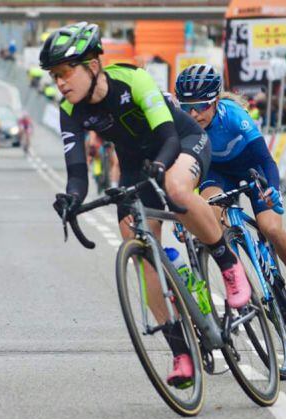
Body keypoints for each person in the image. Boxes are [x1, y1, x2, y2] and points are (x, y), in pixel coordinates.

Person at [43, 23, 250, 387]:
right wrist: (71, 198)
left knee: (176, 187)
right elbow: (77, 172)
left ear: (93, 66)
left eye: (65, 73)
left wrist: (161, 164)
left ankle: (227, 262)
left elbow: (167, 135)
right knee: (133, 242)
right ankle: (181, 353)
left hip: (181, 142)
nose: (60, 83)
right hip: (137, 163)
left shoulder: (131, 81)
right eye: (54, 76)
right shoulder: (69, 110)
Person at [175, 64, 286, 329]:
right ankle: (239, 288)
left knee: (271, 228)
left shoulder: (234, 116)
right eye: (186, 107)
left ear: (215, 102)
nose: (193, 113)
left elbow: (265, 159)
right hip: (217, 173)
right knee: (210, 222)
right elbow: (183, 171)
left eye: (201, 106)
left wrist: (272, 188)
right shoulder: (184, 126)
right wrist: (185, 214)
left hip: (253, 169)